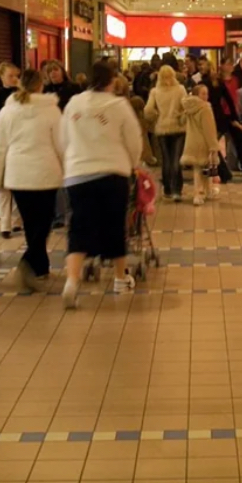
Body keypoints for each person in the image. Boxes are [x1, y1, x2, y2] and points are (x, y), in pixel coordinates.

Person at [60, 60, 141, 307]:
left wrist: (71, 161)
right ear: (112, 79)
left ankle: (72, 282)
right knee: (115, 226)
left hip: (78, 174)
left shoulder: (74, 103)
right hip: (112, 172)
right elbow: (134, 140)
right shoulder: (118, 105)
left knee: (79, 228)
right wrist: (133, 164)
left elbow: (63, 138)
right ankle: (119, 279)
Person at [0, 69, 64, 289]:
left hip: (17, 174)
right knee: (45, 221)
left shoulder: (7, 111)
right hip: (46, 172)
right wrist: (69, 170)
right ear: (41, 85)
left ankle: (40, 267)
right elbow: (61, 144)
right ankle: (29, 262)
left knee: (31, 224)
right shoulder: (51, 110)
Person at [145, 65, 188, 201]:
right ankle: (177, 191)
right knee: (176, 160)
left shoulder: (155, 92)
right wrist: (181, 117)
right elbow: (186, 107)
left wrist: (156, 117)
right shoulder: (180, 89)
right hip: (178, 128)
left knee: (166, 160)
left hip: (162, 128)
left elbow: (148, 110)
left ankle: (168, 190)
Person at [180, 83, 220, 206]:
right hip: (203, 141)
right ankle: (199, 194)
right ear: (197, 94)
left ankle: (207, 191)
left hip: (192, 141)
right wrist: (213, 146)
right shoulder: (205, 108)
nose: (206, 96)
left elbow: (182, 121)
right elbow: (209, 129)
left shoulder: (188, 107)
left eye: (207, 93)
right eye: (203, 93)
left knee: (199, 168)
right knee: (202, 169)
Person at [0, 62, 21, 235]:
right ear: (2, 76)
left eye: (16, 75)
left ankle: (17, 218)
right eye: (11, 75)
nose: (14, 79)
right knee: (3, 185)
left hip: (19, 141)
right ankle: (5, 222)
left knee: (18, 182)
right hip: (2, 142)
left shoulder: (23, 95)